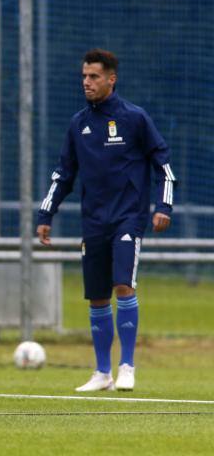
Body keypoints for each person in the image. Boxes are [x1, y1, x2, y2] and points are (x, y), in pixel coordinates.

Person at [37, 49, 177, 392]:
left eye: (94, 76)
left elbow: (164, 166)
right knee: (97, 297)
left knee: (123, 286)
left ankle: (127, 365)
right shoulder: (78, 123)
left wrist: (164, 207)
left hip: (128, 218)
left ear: (111, 79)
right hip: (94, 221)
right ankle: (102, 373)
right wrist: (46, 213)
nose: (87, 82)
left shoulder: (135, 118)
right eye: (84, 76)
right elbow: (63, 174)